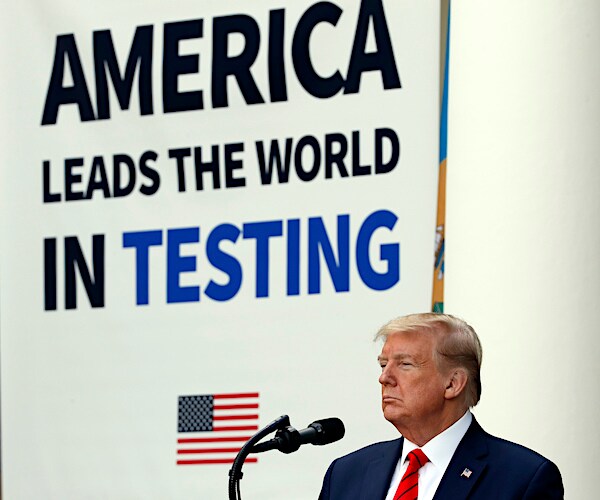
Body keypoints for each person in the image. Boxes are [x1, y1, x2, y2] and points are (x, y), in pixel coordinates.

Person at [318, 313, 563, 499]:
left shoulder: (523, 478)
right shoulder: (345, 474)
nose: (384, 378)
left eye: (405, 365)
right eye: (383, 365)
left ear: (453, 384)